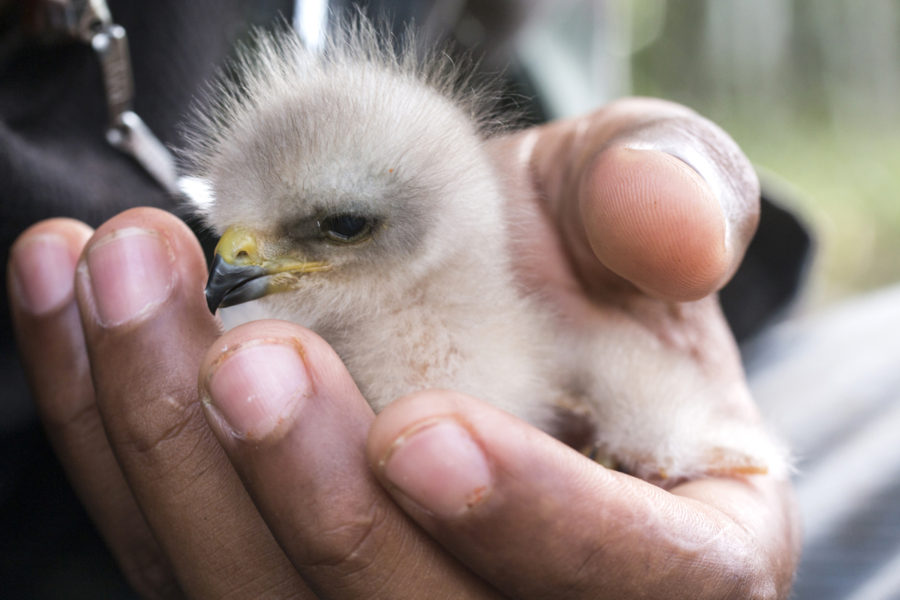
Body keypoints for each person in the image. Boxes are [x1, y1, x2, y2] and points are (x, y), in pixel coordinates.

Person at [2, 1, 801, 597]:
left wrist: (608, 238)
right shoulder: (266, 322)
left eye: (341, 228)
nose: (239, 258)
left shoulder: (517, 332)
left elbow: (692, 440)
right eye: (232, 232)